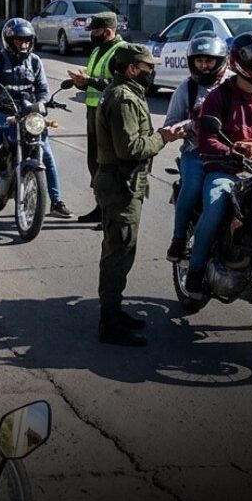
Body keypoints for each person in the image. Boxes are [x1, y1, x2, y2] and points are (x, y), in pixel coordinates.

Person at [184, 32, 252, 298]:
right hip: (224, 169)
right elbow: (206, 140)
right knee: (216, 208)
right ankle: (195, 270)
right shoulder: (218, 97)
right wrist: (232, 152)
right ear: (242, 63)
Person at [94, 44, 182, 345]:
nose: (150, 74)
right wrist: (163, 138)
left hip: (123, 182)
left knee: (121, 249)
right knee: (118, 251)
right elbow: (130, 149)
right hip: (120, 183)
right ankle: (109, 321)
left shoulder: (124, 92)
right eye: (147, 68)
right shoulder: (124, 98)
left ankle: (114, 311)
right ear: (133, 69)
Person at [0, 18, 73, 219]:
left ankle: (56, 201)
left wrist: (44, 103)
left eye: (27, 40)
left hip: (28, 112)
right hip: (2, 110)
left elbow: (43, 89)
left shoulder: (35, 61)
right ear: (9, 41)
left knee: (45, 151)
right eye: (20, 40)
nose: (24, 44)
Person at [163, 31, 228, 262]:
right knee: (191, 185)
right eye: (199, 61)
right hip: (196, 153)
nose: (204, 66)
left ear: (221, 62)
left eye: (209, 61)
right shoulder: (186, 90)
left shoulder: (230, 88)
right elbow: (170, 123)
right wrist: (179, 129)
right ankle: (179, 238)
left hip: (229, 155)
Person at [67, 12, 125, 226]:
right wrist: (82, 82)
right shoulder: (99, 50)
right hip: (94, 111)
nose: (92, 34)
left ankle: (110, 213)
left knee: (108, 165)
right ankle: (100, 206)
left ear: (108, 31)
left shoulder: (121, 52)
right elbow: (95, 81)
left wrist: (89, 80)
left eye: (95, 31)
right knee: (95, 162)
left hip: (110, 114)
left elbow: (117, 84)